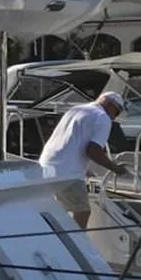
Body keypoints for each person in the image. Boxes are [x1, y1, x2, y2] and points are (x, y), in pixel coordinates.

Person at [38, 92, 129, 228]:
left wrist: (85, 170)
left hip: (45, 166)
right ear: (109, 104)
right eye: (116, 112)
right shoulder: (102, 118)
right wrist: (116, 169)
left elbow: (71, 142)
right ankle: (76, 246)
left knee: (56, 211)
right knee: (82, 212)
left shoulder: (76, 110)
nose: (114, 116)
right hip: (67, 174)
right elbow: (93, 151)